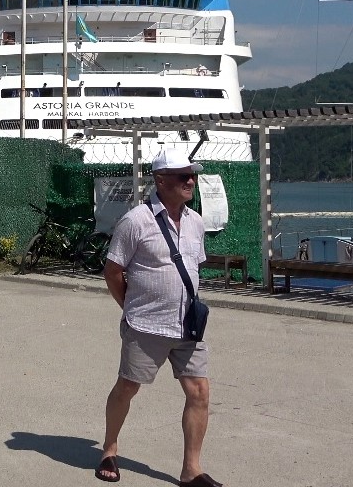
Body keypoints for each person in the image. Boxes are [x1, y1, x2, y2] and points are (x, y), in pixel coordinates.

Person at [96, 148, 221, 487]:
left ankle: (191, 469)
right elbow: (113, 271)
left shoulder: (195, 222)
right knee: (128, 386)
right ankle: (109, 447)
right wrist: (130, 308)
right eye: (183, 175)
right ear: (161, 179)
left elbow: (193, 266)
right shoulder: (136, 221)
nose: (190, 180)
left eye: (192, 174)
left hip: (188, 325)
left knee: (199, 392)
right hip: (146, 325)